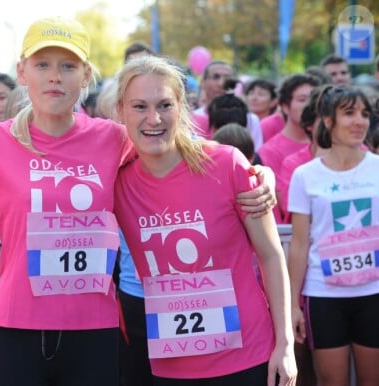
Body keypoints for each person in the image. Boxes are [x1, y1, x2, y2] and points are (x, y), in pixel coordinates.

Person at [0, 17, 276, 386]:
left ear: (86, 77)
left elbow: (186, 154)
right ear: (22, 72)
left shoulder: (113, 138)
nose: (54, 76)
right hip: (15, 326)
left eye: (68, 66)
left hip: (96, 331)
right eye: (42, 64)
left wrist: (259, 174)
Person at [113, 55, 296, 386]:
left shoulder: (227, 163)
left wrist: (285, 345)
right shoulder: (117, 181)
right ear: (120, 111)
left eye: (165, 104)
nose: (153, 118)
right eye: (139, 106)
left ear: (181, 106)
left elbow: (271, 255)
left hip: (249, 355)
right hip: (172, 365)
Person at [287, 85, 379, 386]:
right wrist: (292, 305)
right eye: (349, 113)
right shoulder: (305, 176)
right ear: (328, 121)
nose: (359, 122)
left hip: (373, 294)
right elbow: (299, 245)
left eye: (365, 114)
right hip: (324, 297)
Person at [255, 73, 321, 223]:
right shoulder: (268, 152)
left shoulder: (333, 145)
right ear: (285, 106)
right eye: (302, 100)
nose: (310, 106)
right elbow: (283, 206)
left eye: (315, 100)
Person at [193, 62, 263, 150]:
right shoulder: (191, 119)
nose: (221, 83)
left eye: (227, 78)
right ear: (203, 82)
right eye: (216, 77)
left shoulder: (250, 119)